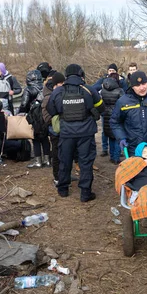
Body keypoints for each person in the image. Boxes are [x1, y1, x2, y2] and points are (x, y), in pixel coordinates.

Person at [47, 64, 105, 202]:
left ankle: (63, 189)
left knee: (64, 160)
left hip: (66, 133)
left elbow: (51, 110)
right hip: (86, 133)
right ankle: (85, 193)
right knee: (85, 162)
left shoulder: (58, 92)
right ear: (81, 74)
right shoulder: (89, 90)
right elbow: (101, 107)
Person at [110, 70, 147, 156]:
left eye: (144, 84)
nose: (142, 88)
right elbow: (115, 122)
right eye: (137, 85)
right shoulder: (123, 102)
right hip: (134, 148)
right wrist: (121, 137)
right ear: (132, 86)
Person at [20, 70, 50, 168]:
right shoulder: (45, 87)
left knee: (35, 138)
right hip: (44, 115)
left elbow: (24, 104)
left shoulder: (28, 89)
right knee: (45, 138)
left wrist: (20, 113)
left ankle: (38, 161)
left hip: (33, 116)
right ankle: (47, 160)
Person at [42, 71, 66, 185]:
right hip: (55, 130)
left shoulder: (59, 93)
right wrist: (54, 121)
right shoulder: (48, 96)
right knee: (56, 154)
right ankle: (57, 177)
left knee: (65, 154)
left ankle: (64, 175)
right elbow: (46, 115)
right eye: (61, 83)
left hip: (63, 130)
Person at [100, 73, 125, 164]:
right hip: (116, 113)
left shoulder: (103, 90)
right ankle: (116, 157)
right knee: (117, 136)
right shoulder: (120, 90)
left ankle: (111, 156)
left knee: (110, 136)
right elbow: (123, 102)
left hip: (106, 114)